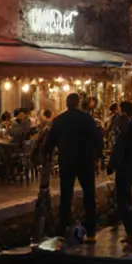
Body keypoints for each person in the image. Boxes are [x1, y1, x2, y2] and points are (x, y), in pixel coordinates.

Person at [44, 93, 104, 242]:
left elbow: (49, 142)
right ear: (78, 103)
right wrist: (98, 155)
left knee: (66, 196)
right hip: (85, 161)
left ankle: (62, 231)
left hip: (67, 161)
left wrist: (47, 154)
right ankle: (91, 233)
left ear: (67, 104)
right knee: (89, 195)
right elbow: (98, 138)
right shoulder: (87, 119)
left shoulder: (59, 120)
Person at [106, 101, 132, 245]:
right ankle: (131, 233)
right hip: (131, 164)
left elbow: (120, 146)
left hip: (125, 165)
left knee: (122, 200)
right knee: (125, 197)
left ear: (123, 111)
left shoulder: (127, 125)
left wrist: (111, 165)